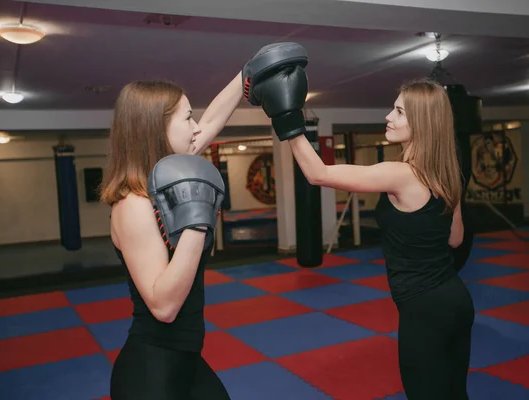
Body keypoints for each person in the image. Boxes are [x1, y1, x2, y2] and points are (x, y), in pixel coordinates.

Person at [247, 65, 475, 399]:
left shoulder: (400, 174)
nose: (388, 116)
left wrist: (286, 118)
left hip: (423, 309)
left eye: (398, 111)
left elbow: (318, 174)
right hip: (455, 300)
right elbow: (455, 239)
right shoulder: (448, 175)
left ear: (422, 123)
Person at [98, 75, 242, 399]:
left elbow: (211, 124)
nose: (196, 128)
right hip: (151, 373)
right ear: (156, 128)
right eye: (188, 117)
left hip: (187, 362)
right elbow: (164, 307)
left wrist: (246, 76)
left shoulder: (170, 182)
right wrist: (196, 222)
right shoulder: (133, 205)